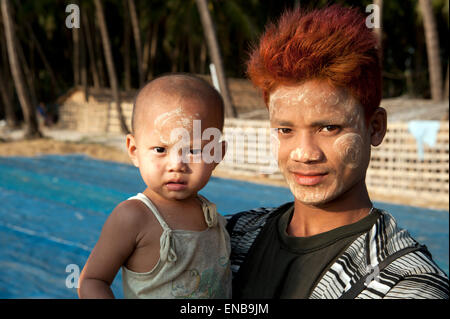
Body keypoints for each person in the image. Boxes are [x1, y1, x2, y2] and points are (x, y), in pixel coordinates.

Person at [226, 5, 449, 299]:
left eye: (329, 128)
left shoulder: (406, 285)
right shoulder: (228, 237)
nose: (304, 154)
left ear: (376, 128)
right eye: (285, 130)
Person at [78, 74, 231, 299]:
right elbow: (92, 280)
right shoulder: (133, 216)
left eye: (193, 151)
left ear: (217, 153)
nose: (176, 165)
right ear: (134, 150)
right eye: (160, 149)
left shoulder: (211, 216)